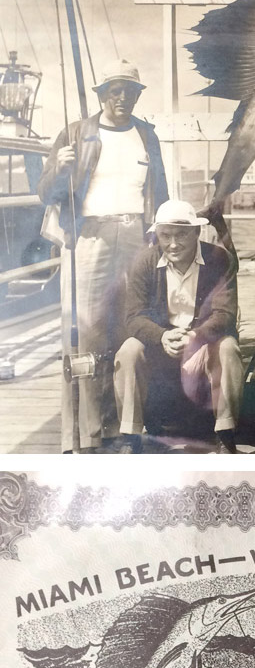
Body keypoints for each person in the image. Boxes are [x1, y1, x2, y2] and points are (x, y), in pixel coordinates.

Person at [37, 59, 168, 453]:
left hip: (134, 236)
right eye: (115, 89)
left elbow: (159, 195)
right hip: (89, 237)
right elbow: (47, 193)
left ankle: (121, 429)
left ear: (138, 95)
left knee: (128, 329)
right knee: (86, 333)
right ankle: (84, 435)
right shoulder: (77, 133)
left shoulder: (147, 136)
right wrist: (61, 171)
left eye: (131, 90)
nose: (123, 97)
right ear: (101, 94)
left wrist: (160, 239)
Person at [113, 200, 244, 454]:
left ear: (197, 232)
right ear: (157, 236)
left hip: (203, 343)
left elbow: (225, 314)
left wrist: (196, 336)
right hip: (163, 344)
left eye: (182, 234)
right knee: (129, 350)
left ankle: (225, 433)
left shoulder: (219, 258)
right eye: (166, 235)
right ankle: (131, 436)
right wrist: (162, 336)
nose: (173, 244)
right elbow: (134, 316)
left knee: (228, 348)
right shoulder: (144, 262)